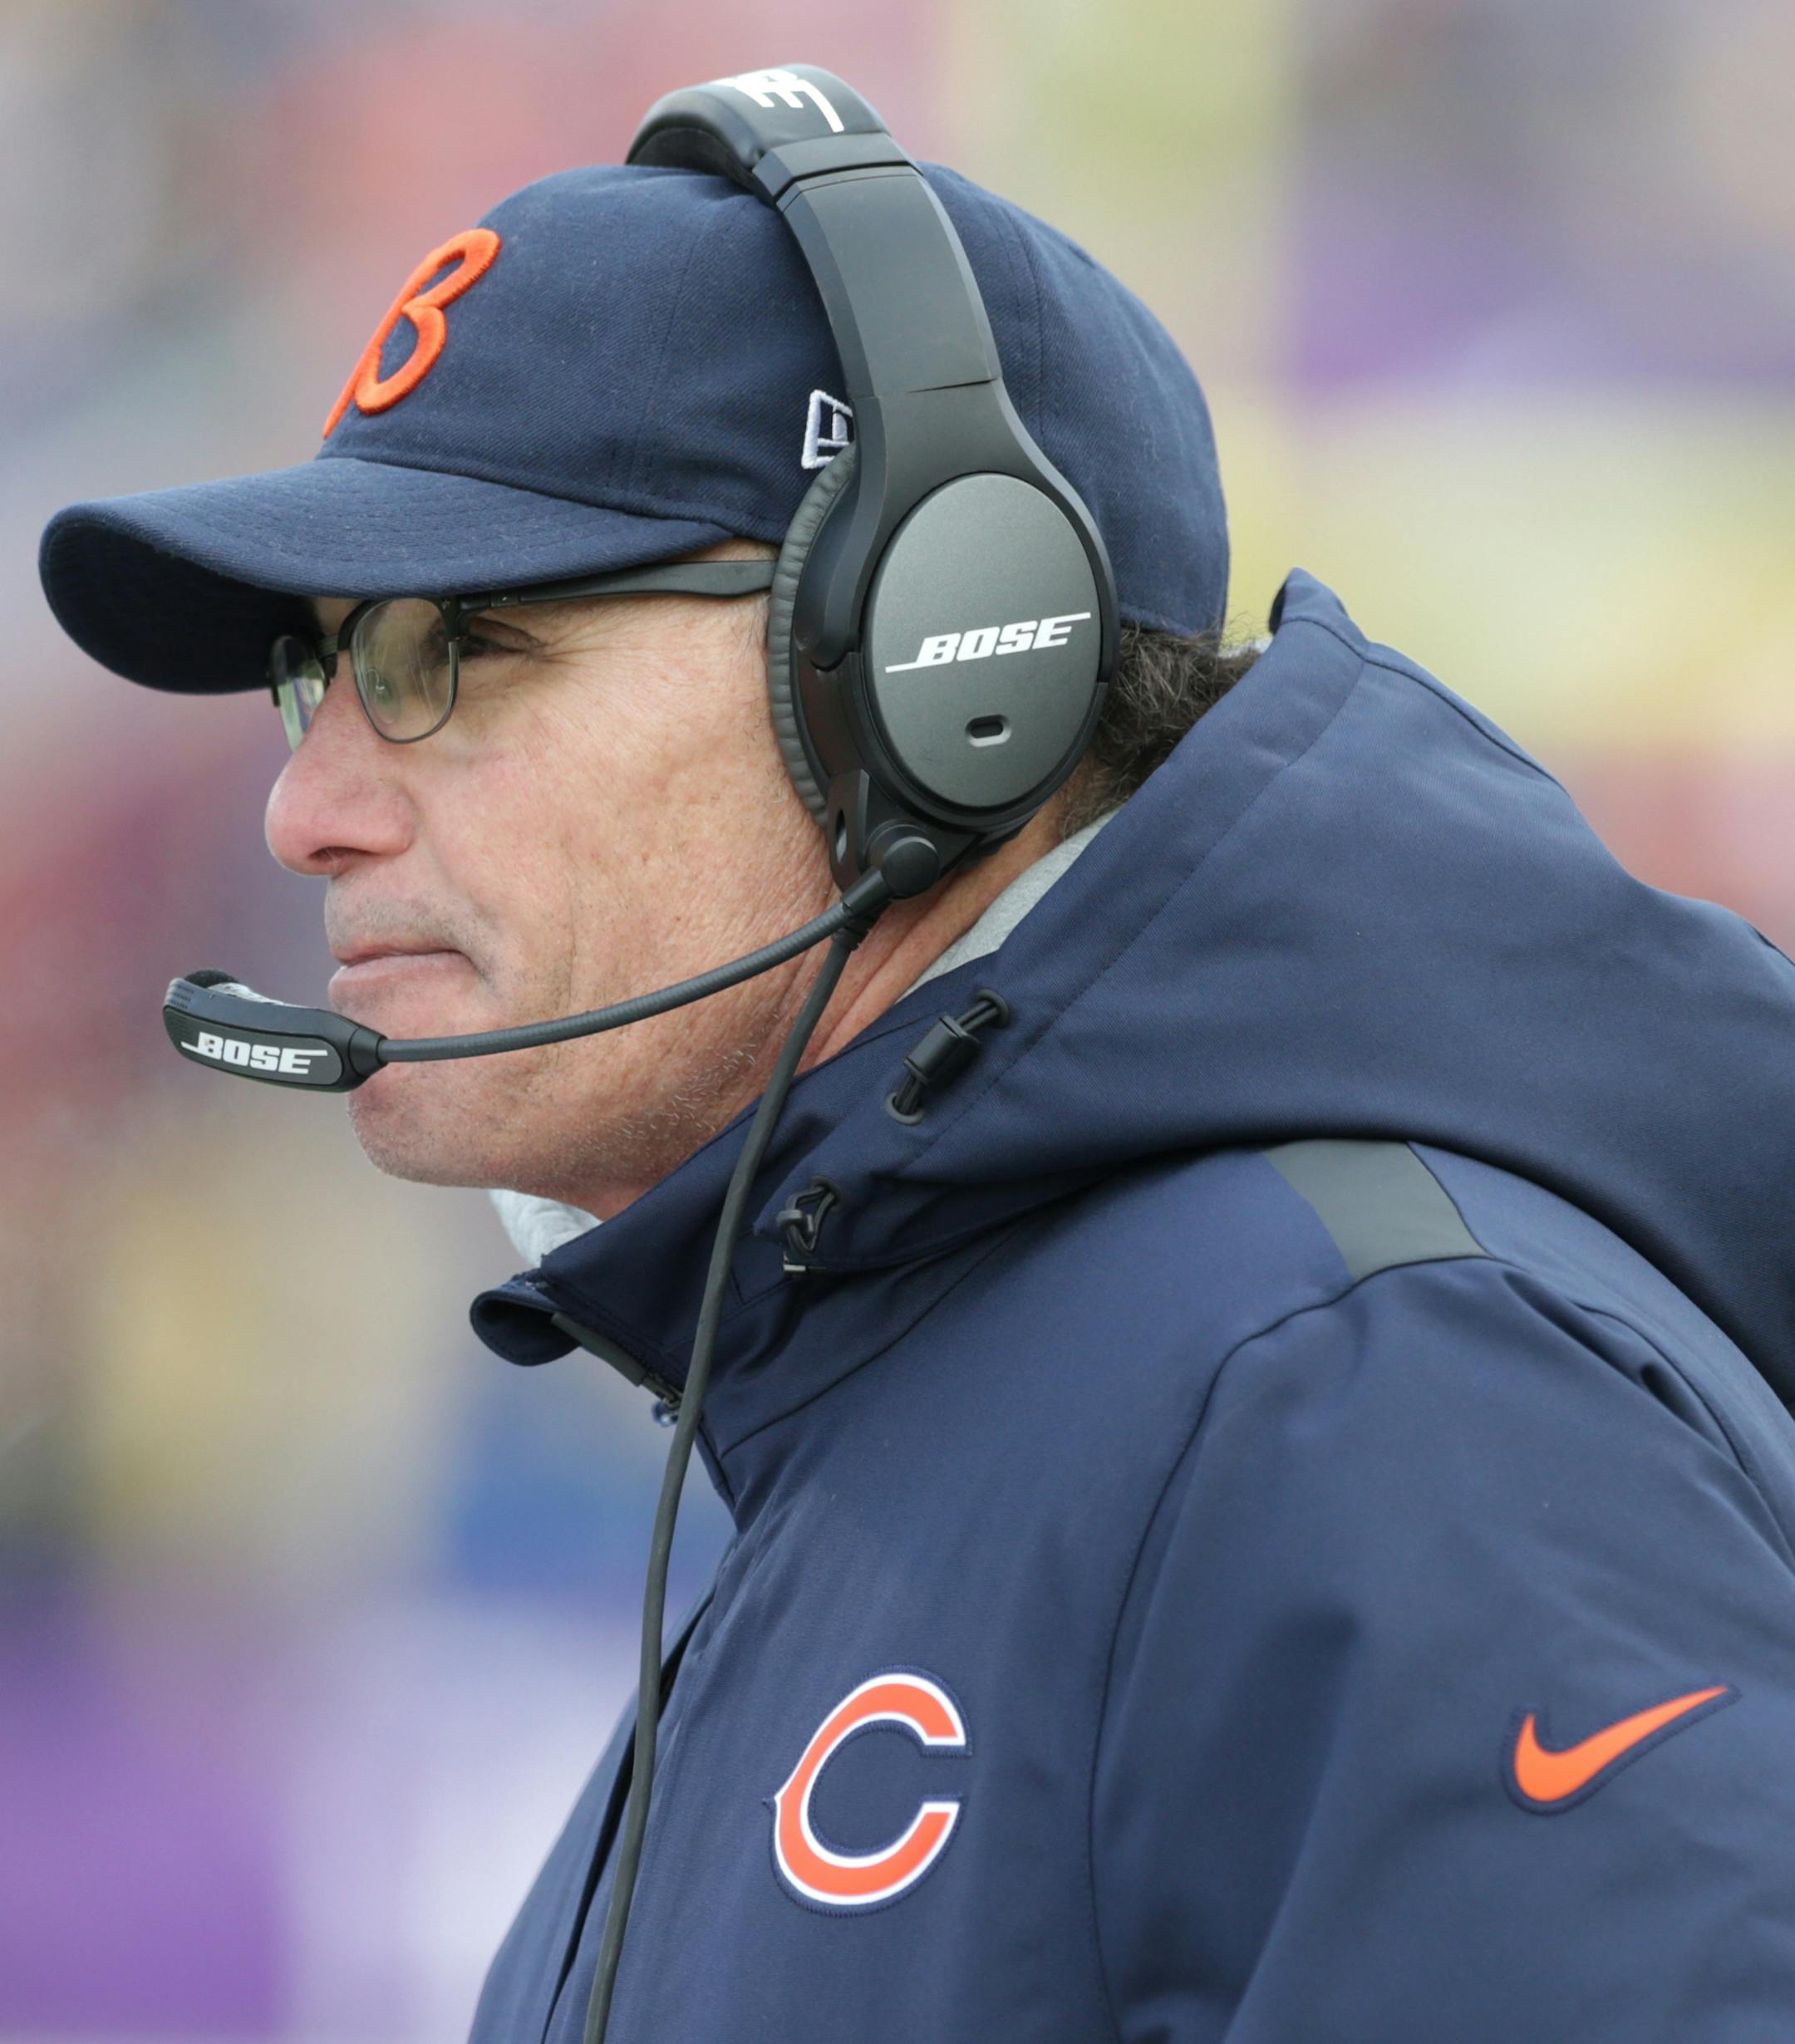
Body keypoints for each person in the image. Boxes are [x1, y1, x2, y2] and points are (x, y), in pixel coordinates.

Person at [39, 71, 1795, 2044]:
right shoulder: (946, 1399)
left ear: (940, 665)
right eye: (316, 676)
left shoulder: (1374, 1397)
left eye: (450, 656)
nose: (311, 809)